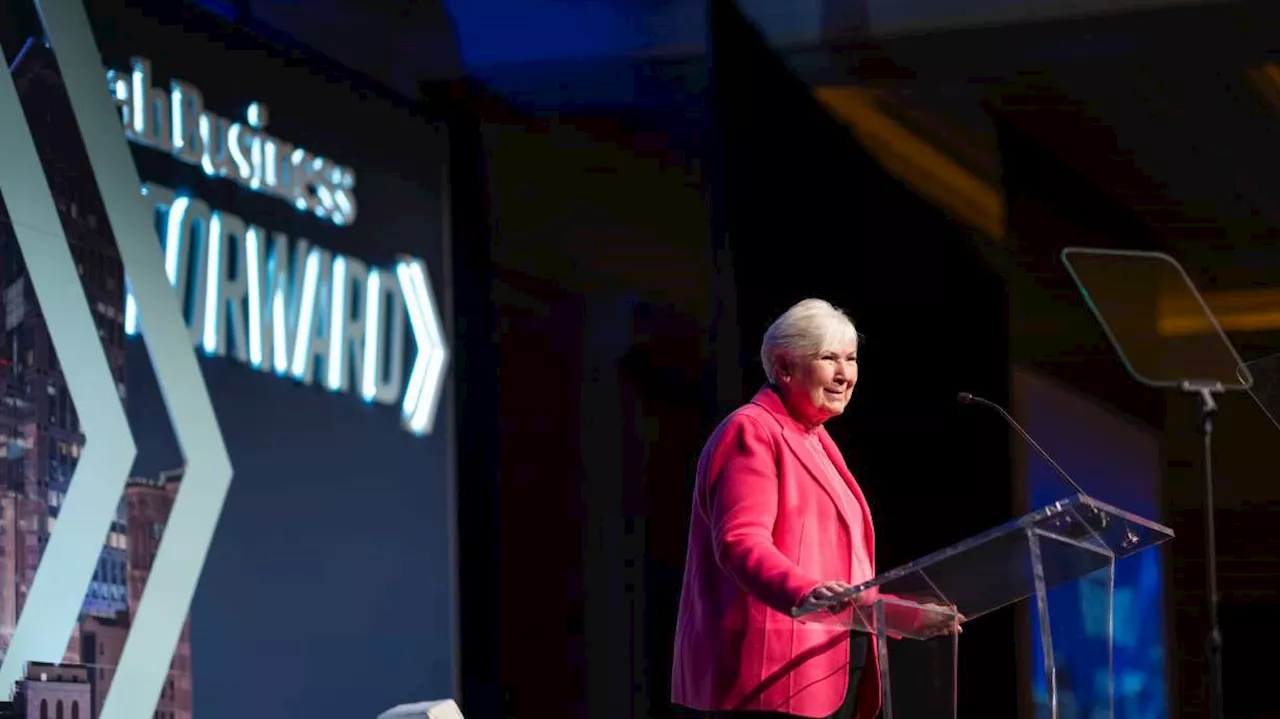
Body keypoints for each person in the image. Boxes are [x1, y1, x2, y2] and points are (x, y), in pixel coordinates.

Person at [671, 299, 955, 719]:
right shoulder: (751, 430)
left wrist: (902, 617)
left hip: (834, 669)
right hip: (770, 676)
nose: (845, 374)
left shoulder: (818, 441)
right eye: (828, 359)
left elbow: (844, 577)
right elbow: (740, 543)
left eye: (851, 359)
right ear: (785, 367)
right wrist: (803, 591)